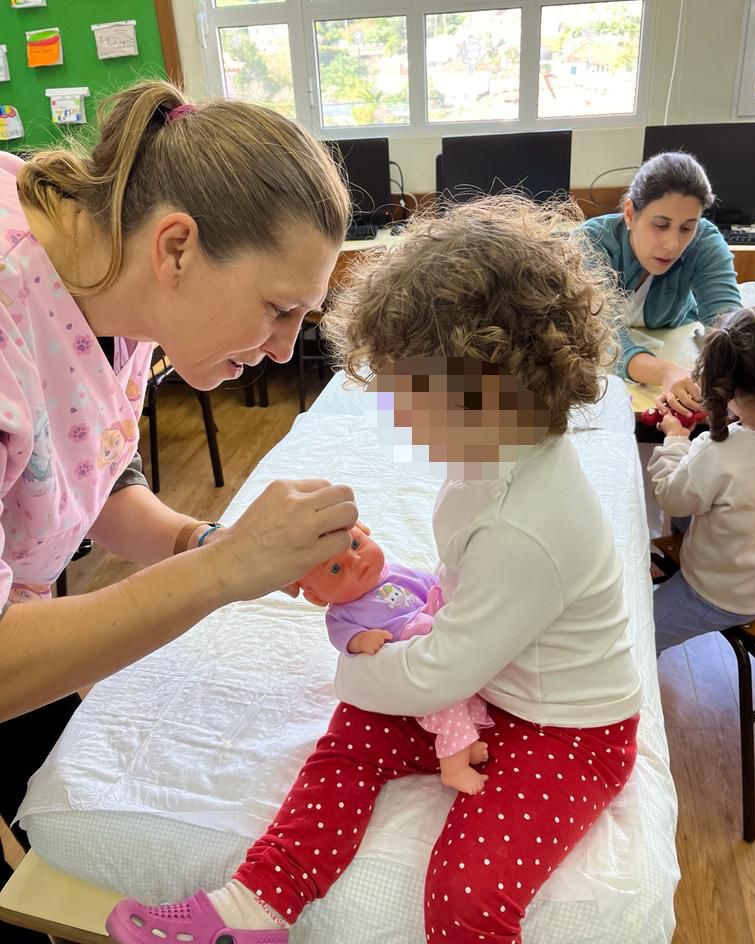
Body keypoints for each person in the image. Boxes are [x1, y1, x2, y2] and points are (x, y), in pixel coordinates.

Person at [107, 195, 642, 944]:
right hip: (494, 681)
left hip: (567, 733)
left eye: (405, 394)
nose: (397, 416)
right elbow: (463, 594)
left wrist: (356, 672)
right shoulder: (495, 462)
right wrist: (398, 606)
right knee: (351, 745)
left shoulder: (526, 522)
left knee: (466, 894)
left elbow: (439, 676)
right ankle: (259, 906)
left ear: (478, 391)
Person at [0, 80, 359, 933]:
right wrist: (222, 571)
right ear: (178, 247)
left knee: (59, 828)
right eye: (278, 310)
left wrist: (205, 539)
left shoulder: (108, 274)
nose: (284, 351)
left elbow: (82, 467)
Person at [298, 522, 493, 794]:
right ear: (316, 597)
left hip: (438, 634)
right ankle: (454, 769)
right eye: (335, 569)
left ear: (365, 531)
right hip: (414, 659)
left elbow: (437, 587)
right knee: (449, 705)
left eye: (355, 544)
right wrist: (362, 639)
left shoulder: (398, 573)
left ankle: (465, 746)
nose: (355, 561)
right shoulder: (342, 614)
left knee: (470, 691)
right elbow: (343, 639)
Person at [581, 151, 741, 417]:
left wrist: (723, 364)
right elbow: (603, 337)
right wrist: (666, 372)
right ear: (630, 214)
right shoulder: (590, 242)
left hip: (675, 344)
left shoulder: (705, 240)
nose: (672, 245)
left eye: (687, 228)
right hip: (614, 368)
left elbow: (727, 322)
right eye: (660, 225)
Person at [649, 305, 755, 653]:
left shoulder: (719, 452)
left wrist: (675, 440)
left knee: (635, 638)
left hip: (720, 595)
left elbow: (671, 498)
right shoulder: (727, 451)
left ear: (726, 386)